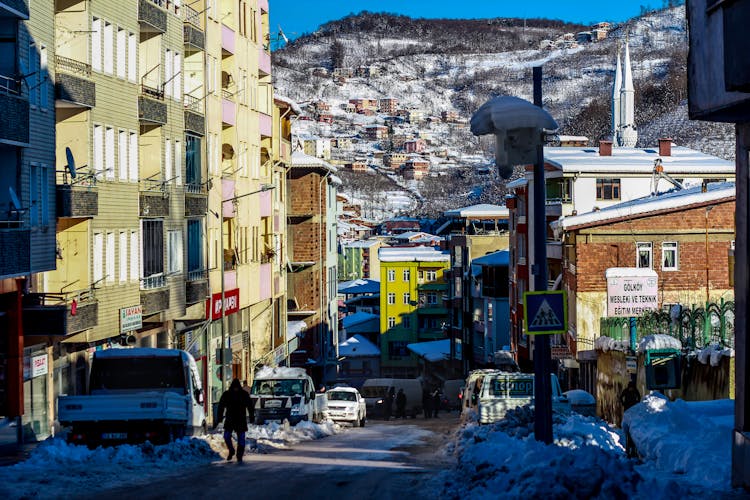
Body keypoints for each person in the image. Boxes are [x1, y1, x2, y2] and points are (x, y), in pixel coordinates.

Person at [215, 378, 254, 463]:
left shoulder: (240, 394)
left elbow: (250, 406)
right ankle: (232, 450)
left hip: (238, 419)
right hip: (233, 419)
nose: (235, 389)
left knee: (240, 438)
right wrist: (219, 417)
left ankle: (239, 455)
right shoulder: (230, 394)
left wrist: (251, 416)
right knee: (228, 436)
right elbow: (221, 406)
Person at [620, 380, 641, 459]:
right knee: (628, 432)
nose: (631, 389)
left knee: (631, 431)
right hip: (628, 410)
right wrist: (624, 403)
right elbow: (621, 397)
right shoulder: (627, 391)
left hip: (632, 410)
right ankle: (629, 449)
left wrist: (636, 403)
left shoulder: (634, 391)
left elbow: (638, 397)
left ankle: (632, 449)